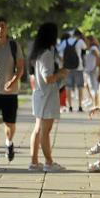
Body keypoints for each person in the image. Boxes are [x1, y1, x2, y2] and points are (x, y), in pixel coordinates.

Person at [28, 22, 69, 172]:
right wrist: (61, 74)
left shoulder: (40, 52)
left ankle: (34, 162)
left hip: (40, 94)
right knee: (45, 131)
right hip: (47, 95)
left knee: (38, 129)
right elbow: (48, 78)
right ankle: (48, 162)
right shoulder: (46, 54)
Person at [0, 16, 24, 165]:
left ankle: (9, 143)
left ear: (7, 28)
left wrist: (13, 80)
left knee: (10, 125)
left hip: (10, 92)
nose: (0, 29)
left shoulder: (14, 46)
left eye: (3, 26)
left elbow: (21, 67)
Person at [58, 29, 87, 112]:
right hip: (79, 67)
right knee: (80, 87)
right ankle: (80, 106)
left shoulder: (65, 42)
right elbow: (86, 47)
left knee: (68, 87)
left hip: (67, 68)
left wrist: (63, 61)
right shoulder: (80, 41)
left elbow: (59, 51)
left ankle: (70, 106)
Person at [83, 35, 100, 106]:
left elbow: (98, 58)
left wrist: (95, 67)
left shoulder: (93, 48)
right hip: (89, 70)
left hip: (92, 70)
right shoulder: (91, 48)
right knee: (91, 87)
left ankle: (95, 104)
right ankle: (94, 102)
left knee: (93, 87)